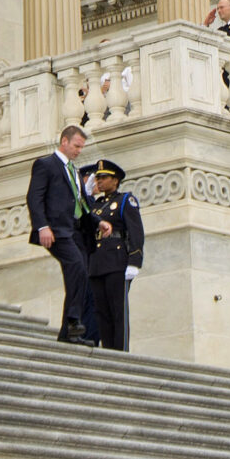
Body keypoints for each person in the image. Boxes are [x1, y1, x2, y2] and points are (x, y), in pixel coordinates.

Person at [26, 125, 95, 345]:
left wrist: (99, 221)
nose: (78, 151)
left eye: (81, 147)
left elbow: (82, 203)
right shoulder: (46, 165)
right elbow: (34, 198)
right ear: (64, 141)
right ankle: (74, 320)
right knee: (76, 266)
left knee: (80, 272)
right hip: (56, 231)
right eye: (76, 146)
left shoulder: (74, 170)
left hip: (75, 230)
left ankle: (69, 332)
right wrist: (41, 226)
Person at [83, 159, 144, 351]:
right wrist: (85, 196)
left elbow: (136, 232)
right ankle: (109, 351)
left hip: (117, 262)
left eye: (104, 178)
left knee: (118, 311)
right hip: (97, 263)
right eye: (97, 178)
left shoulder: (125, 200)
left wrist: (135, 261)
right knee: (101, 312)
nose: (99, 182)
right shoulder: (95, 205)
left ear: (115, 180)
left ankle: (121, 352)